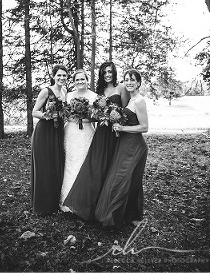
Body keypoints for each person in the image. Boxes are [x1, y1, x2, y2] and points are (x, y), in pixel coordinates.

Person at [63, 62, 130, 219]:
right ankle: (92, 203)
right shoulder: (100, 91)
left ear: (114, 72)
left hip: (115, 131)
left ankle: (112, 205)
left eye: (109, 71)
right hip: (101, 131)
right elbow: (95, 114)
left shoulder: (121, 88)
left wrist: (119, 122)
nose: (107, 74)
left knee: (113, 165)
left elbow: (126, 110)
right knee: (97, 165)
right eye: (104, 72)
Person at [94, 69, 149, 226]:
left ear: (138, 82)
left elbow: (144, 127)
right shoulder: (130, 100)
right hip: (124, 144)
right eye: (127, 80)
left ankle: (126, 216)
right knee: (127, 180)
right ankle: (128, 215)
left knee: (125, 179)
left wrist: (122, 128)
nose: (129, 82)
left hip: (135, 146)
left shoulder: (139, 101)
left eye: (132, 80)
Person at [30, 64, 69, 214]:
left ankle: (53, 203)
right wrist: (49, 115)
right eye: (59, 75)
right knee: (44, 166)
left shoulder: (65, 91)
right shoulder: (46, 91)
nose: (61, 78)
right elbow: (34, 112)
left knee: (54, 165)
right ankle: (42, 206)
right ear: (53, 76)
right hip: (45, 131)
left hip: (58, 131)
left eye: (64, 75)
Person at [60, 70, 97, 212]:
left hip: (86, 131)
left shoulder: (94, 96)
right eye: (77, 79)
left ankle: (83, 200)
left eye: (83, 79)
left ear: (87, 80)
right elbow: (64, 113)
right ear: (74, 81)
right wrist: (73, 116)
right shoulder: (68, 95)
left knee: (84, 163)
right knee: (70, 163)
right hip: (71, 131)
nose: (80, 82)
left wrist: (85, 117)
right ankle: (67, 199)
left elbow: (97, 117)